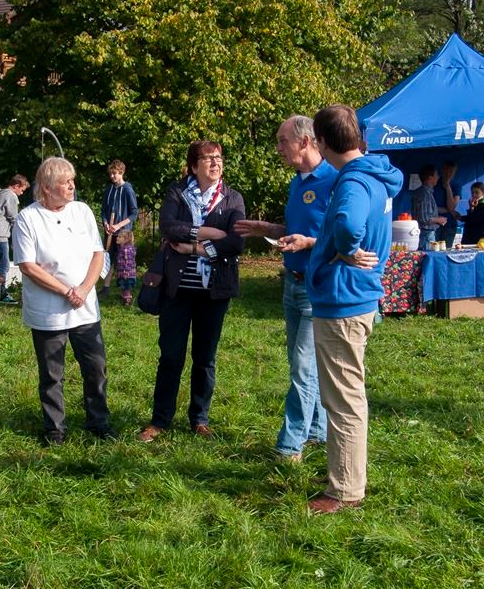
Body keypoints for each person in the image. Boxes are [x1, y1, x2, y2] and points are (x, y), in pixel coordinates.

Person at [288, 104, 403, 514]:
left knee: (343, 399)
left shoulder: (353, 183)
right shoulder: (376, 172)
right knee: (345, 393)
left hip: (343, 300)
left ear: (321, 141)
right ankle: (344, 471)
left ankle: (344, 490)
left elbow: (349, 225)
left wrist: (345, 251)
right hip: (358, 297)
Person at [233, 115, 339, 462]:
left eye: (282, 141)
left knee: (303, 369)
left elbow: (343, 237)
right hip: (291, 285)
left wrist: (308, 243)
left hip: (315, 288)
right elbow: (298, 228)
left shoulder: (334, 181)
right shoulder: (298, 182)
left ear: (306, 142)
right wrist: (269, 227)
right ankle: (317, 433)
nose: (278, 148)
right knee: (305, 365)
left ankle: (289, 446)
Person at [138, 140, 246, 442]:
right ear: (194, 165)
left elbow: (236, 241)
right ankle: (160, 420)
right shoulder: (177, 193)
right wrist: (205, 232)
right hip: (177, 290)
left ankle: (199, 419)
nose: (215, 163)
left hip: (214, 291)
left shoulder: (232, 198)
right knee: (170, 356)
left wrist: (196, 248)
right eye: (208, 158)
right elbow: (168, 227)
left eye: (219, 157)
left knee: (204, 358)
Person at [13, 157, 116, 444]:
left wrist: (83, 289)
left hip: (84, 308)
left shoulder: (81, 211)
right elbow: (28, 266)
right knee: (51, 373)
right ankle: (55, 428)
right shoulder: (28, 218)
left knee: (95, 368)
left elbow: (98, 253)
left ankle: (99, 421)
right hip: (48, 312)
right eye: (65, 182)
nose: (72, 186)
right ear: (46, 188)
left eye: (72, 181)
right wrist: (65, 291)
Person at [0, 174, 30, 303]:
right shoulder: (10, 196)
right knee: (3, 266)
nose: (21, 193)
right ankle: (1, 295)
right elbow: (14, 218)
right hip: (0, 234)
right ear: (16, 186)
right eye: (22, 190)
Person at [98, 159, 139, 299]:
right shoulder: (108, 189)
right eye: (110, 174)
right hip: (109, 231)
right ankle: (105, 287)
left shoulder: (128, 189)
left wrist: (118, 225)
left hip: (124, 233)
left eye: (114, 173)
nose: (112, 176)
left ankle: (126, 292)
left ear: (121, 172)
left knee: (125, 262)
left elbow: (134, 213)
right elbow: (103, 210)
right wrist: (106, 224)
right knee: (108, 259)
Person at [412, 164, 446, 250]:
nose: (438, 177)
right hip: (426, 235)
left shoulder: (425, 192)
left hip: (425, 234)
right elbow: (424, 218)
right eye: (436, 175)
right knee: (426, 258)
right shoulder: (424, 194)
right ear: (430, 178)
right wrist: (439, 219)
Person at [434, 160, 462, 247]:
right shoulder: (435, 183)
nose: (448, 173)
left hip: (449, 224)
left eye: (451, 171)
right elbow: (429, 205)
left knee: (446, 249)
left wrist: (448, 187)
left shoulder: (456, 186)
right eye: (447, 170)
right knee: (434, 248)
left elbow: (451, 207)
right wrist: (446, 210)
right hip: (435, 223)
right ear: (443, 170)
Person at [115, 229, 137, 306]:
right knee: (123, 287)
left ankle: (127, 302)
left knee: (126, 288)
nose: (117, 238)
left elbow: (129, 262)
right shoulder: (122, 248)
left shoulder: (127, 249)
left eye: (120, 237)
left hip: (127, 274)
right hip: (123, 273)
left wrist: (126, 272)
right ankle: (123, 298)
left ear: (126, 239)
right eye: (118, 236)